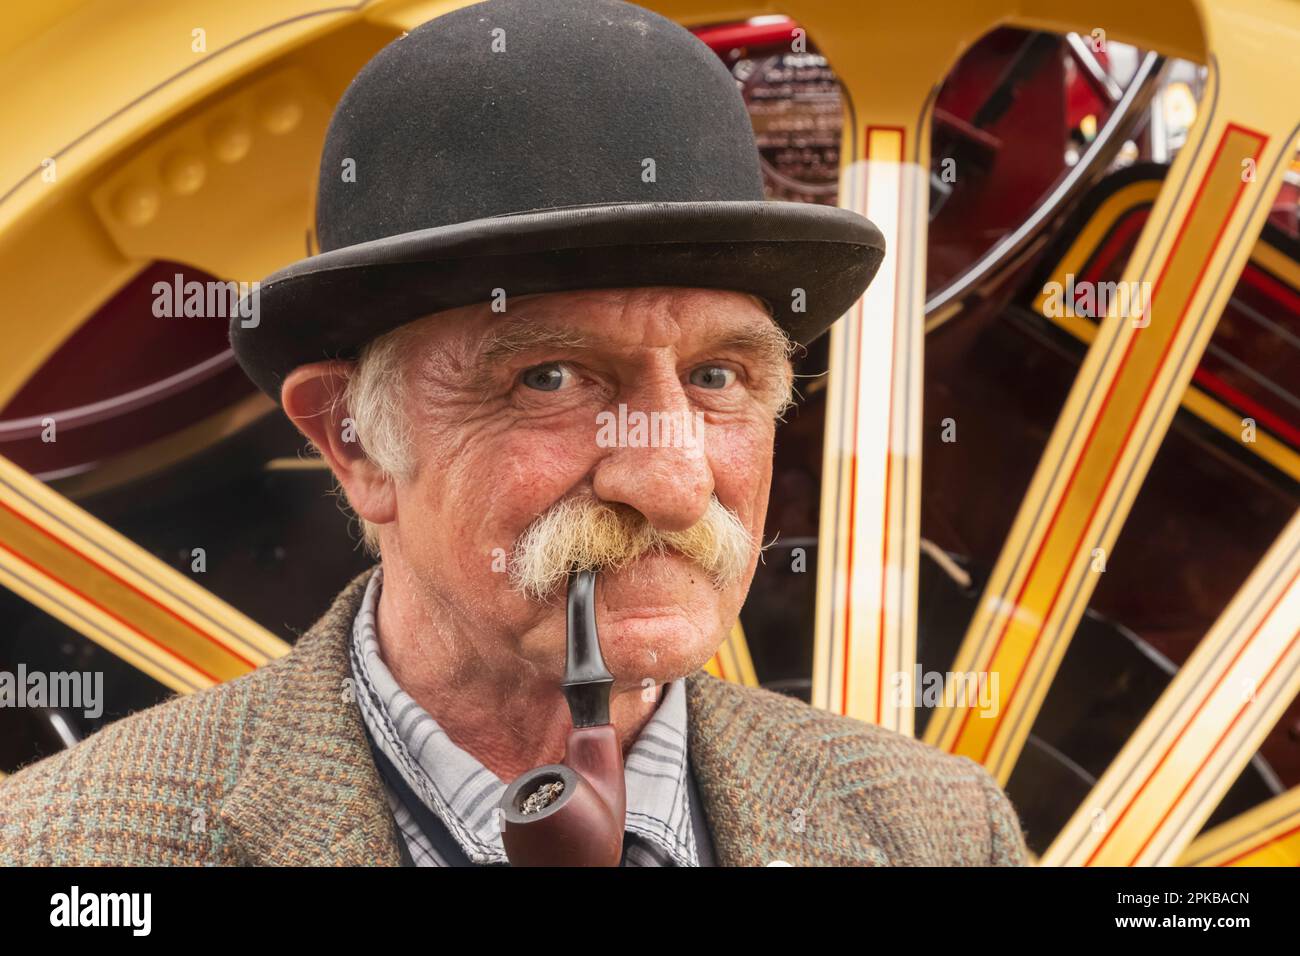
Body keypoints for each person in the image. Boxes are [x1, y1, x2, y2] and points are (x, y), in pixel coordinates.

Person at [0, 0, 1028, 866]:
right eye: (549, 376)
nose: (672, 483)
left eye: (719, 375)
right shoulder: (64, 852)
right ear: (352, 439)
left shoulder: (940, 829)